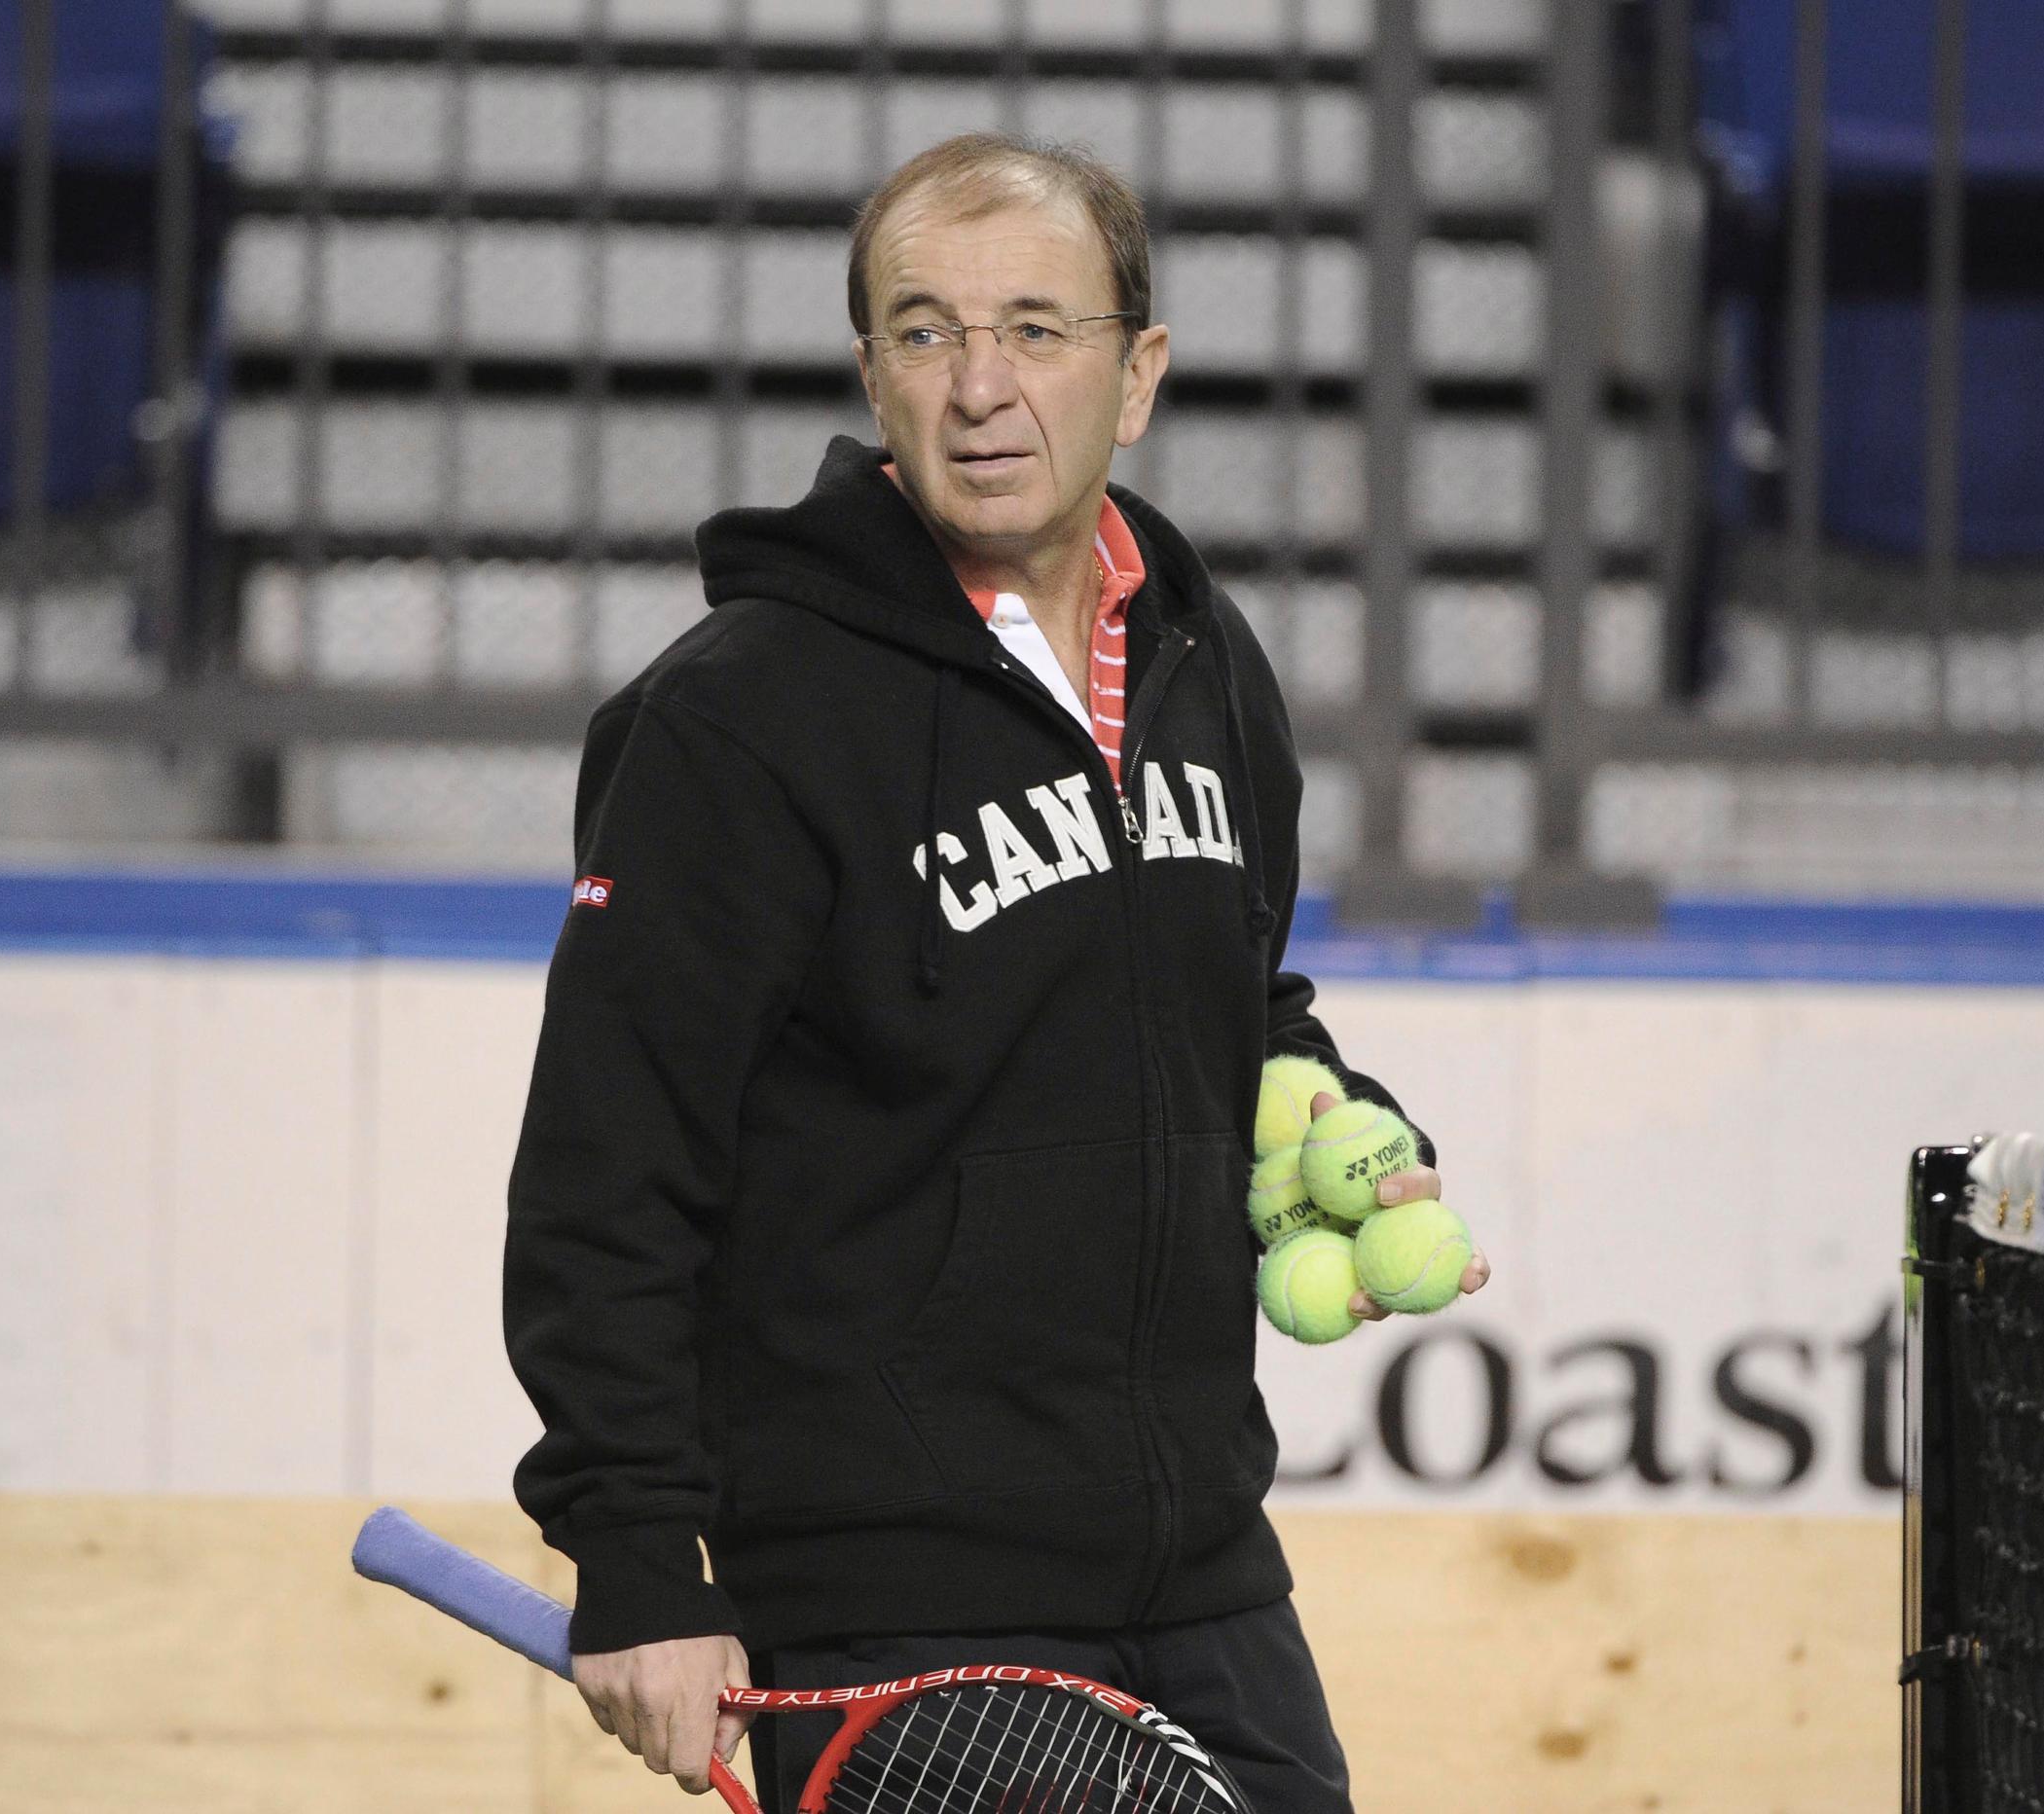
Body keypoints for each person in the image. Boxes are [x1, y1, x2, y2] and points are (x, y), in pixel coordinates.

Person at [502, 131, 1489, 1810]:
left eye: (1038, 328)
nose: (982, 385)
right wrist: (639, 1552)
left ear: (1139, 372)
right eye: (926, 330)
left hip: (1198, 1567)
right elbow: (611, 1164)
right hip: (892, 1592)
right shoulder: (735, 721)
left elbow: (1235, 1001)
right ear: (872, 374)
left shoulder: (1205, 661)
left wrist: (1331, 1108)